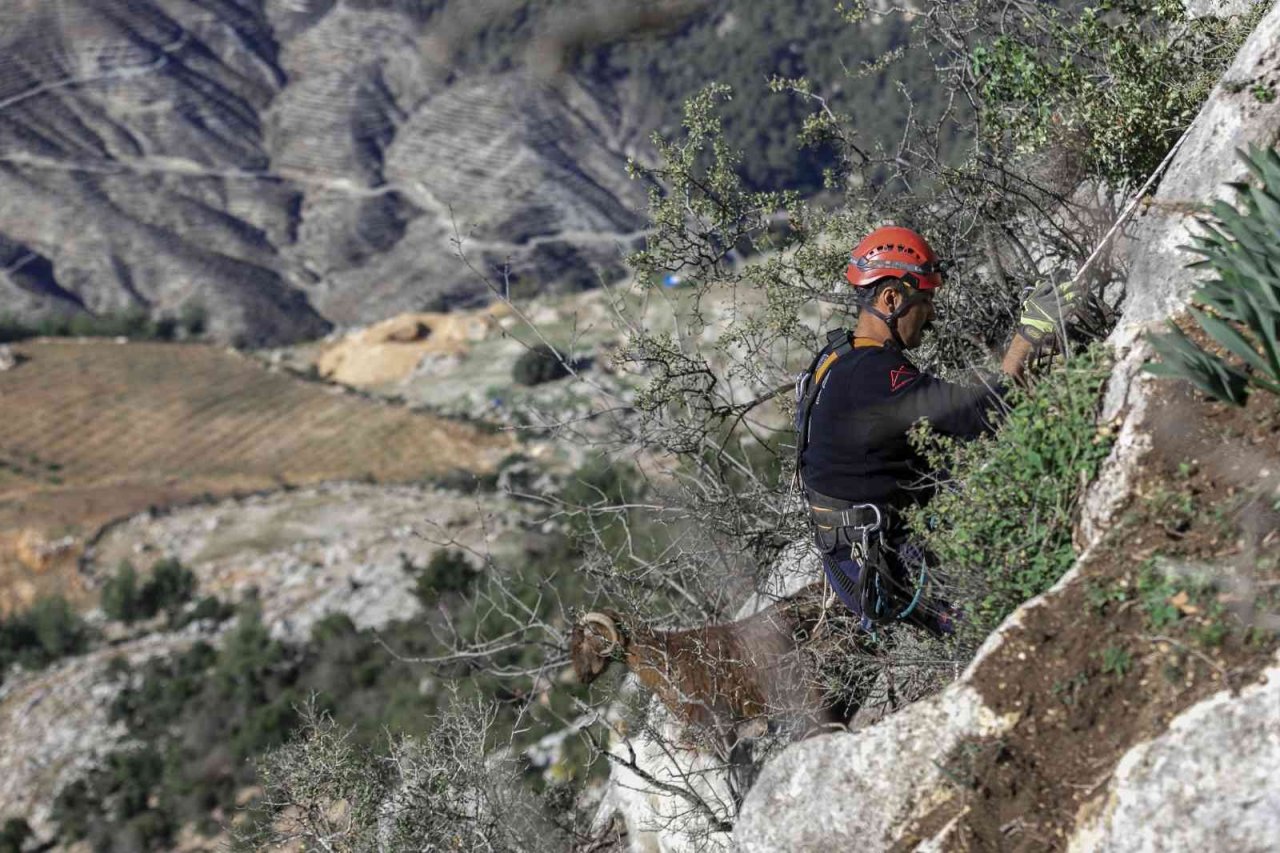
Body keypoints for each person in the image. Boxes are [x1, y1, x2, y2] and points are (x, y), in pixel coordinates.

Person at [795, 225, 1078, 635]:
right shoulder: (873, 374)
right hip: (886, 563)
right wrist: (1027, 337)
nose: (929, 317)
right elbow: (980, 416)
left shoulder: (837, 356)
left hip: (853, 552)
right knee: (1000, 630)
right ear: (891, 299)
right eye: (924, 302)